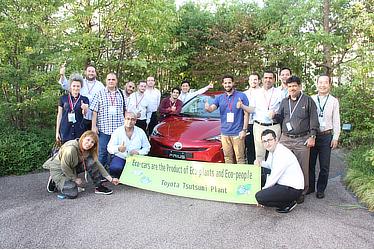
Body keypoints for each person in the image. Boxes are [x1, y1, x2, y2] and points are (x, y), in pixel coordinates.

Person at [273, 76, 319, 204]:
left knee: (302, 166)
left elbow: (313, 119)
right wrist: (274, 116)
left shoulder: (308, 101)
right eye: (290, 86)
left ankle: (301, 192)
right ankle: (284, 188)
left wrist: (312, 136)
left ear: (299, 86)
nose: (292, 88)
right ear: (287, 88)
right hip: (285, 139)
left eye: (294, 86)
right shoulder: (284, 101)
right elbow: (280, 118)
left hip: (302, 139)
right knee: (282, 164)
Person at [43, 131, 120, 199]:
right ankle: (54, 181)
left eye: (92, 142)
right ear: (83, 138)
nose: (89, 143)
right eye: (88, 140)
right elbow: (64, 167)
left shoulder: (87, 149)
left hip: (71, 167)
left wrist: (111, 179)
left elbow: (98, 164)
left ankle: (98, 187)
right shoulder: (70, 149)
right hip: (59, 169)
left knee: (91, 162)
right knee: (72, 193)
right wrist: (75, 179)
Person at [255, 129, 304, 213]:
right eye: (264, 141)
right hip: (284, 184)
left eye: (269, 140)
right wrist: (260, 163)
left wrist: (263, 191)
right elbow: (270, 166)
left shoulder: (281, 153)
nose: (267, 143)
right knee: (259, 178)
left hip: (293, 188)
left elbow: (273, 177)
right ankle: (284, 199)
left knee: (259, 197)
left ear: (276, 140)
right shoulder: (273, 150)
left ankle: (288, 203)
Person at [309, 74, 341, 199]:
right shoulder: (310, 98)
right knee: (310, 164)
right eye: (320, 82)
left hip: (326, 136)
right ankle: (310, 187)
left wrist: (336, 137)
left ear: (329, 85)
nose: (322, 85)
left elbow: (336, 120)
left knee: (324, 165)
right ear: (316, 84)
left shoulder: (333, 101)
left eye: (325, 83)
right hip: (312, 136)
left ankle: (321, 189)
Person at [205, 74, 249, 164]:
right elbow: (211, 108)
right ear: (222, 84)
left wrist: (244, 130)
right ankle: (230, 178)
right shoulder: (220, 97)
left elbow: (246, 113)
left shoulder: (241, 96)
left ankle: (241, 177)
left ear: (233, 83)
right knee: (228, 158)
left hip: (238, 133)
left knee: (240, 158)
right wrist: (208, 108)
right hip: (225, 133)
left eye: (229, 83)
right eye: (225, 83)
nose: (227, 85)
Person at [242, 70, 282, 163]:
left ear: (274, 80)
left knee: (275, 154)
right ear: (262, 79)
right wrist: (242, 106)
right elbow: (252, 109)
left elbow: (283, 110)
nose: (268, 80)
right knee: (259, 155)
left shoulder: (279, 92)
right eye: (266, 78)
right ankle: (260, 177)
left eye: (270, 78)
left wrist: (275, 114)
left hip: (274, 126)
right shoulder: (256, 93)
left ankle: (273, 177)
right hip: (259, 126)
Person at [90, 73, 125, 168]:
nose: (111, 81)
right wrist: (93, 126)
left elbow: (125, 111)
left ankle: (112, 172)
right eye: (109, 79)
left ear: (116, 81)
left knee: (116, 152)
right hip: (104, 129)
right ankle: (100, 174)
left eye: (113, 79)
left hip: (118, 130)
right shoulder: (99, 93)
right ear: (106, 81)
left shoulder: (122, 94)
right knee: (102, 153)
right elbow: (94, 112)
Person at [59, 64, 105, 129]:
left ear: (95, 73)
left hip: (95, 119)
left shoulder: (100, 86)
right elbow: (65, 85)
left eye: (93, 71)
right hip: (80, 118)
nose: (91, 73)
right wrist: (62, 75)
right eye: (89, 71)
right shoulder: (80, 82)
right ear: (85, 72)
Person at [107, 112, 151, 178]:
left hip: (136, 158)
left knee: (145, 170)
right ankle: (120, 176)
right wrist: (118, 148)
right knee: (115, 168)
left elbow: (147, 147)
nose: (130, 121)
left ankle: (131, 177)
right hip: (121, 157)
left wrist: (138, 152)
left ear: (135, 121)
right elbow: (109, 148)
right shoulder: (117, 131)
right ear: (124, 119)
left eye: (132, 119)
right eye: (128, 119)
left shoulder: (141, 132)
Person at [55, 73, 89, 144]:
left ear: (81, 87)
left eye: (78, 86)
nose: (76, 88)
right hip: (65, 130)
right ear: (70, 86)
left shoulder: (84, 99)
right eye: (74, 86)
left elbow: (85, 113)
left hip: (79, 131)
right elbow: (59, 115)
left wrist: (84, 108)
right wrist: (57, 132)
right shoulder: (63, 98)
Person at [243, 73, 261, 164]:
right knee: (250, 149)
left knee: (260, 150)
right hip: (248, 124)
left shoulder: (263, 93)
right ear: (249, 81)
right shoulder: (244, 94)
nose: (253, 81)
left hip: (260, 124)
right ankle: (251, 171)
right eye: (251, 80)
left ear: (259, 81)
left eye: (255, 79)